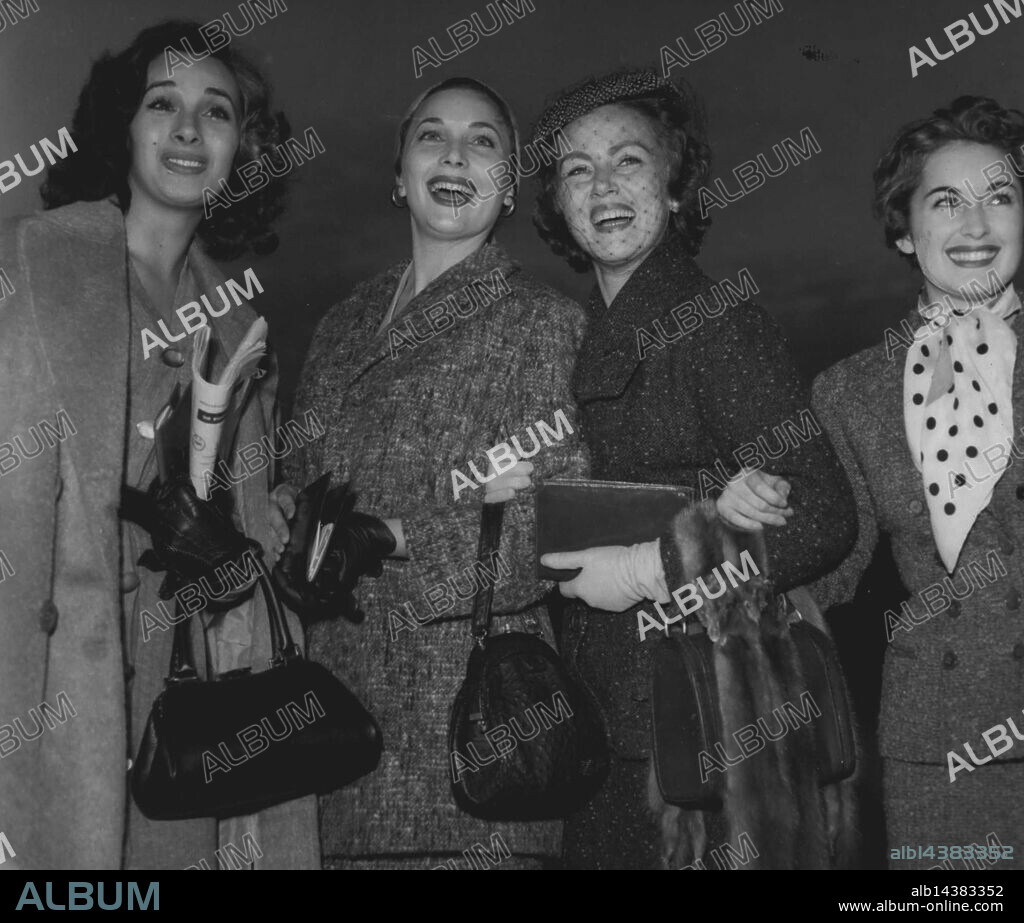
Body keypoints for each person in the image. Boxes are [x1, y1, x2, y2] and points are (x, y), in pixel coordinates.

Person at [0, 20, 316, 869]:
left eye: (216, 112)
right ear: (122, 127)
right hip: (52, 679)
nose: (187, 129)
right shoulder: (30, 262)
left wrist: (266, 529)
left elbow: (249, 505)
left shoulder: (243, 323)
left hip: (188, 683)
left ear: (239, 147)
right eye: (161, 104)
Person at [529, 67, 857, 869]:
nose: (602, 185)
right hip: (613, 720)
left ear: (675, 189)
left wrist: (654, 565)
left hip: (707, 729)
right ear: (561, 209)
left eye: (629, 161)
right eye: (578, 169)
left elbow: (821, 514)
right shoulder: (584, 334)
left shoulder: (713, 324)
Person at [279, 76, 588, 869]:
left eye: (483, 140)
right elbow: (295, 485)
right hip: (332, 748)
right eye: (431, 136)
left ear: (510, 187)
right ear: (398, 173)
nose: (455, 155)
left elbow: (550, 521)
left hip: (468, 753)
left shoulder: (542, 322)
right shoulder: (340, 325)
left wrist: (389, 534)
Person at [811, 96, 1024, 870]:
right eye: (946, 201)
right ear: (905, 230)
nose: (977, 225)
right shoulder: (852, 390)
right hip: (938, 744)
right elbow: (830, 564)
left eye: (1000, 197)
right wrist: (736, 530)